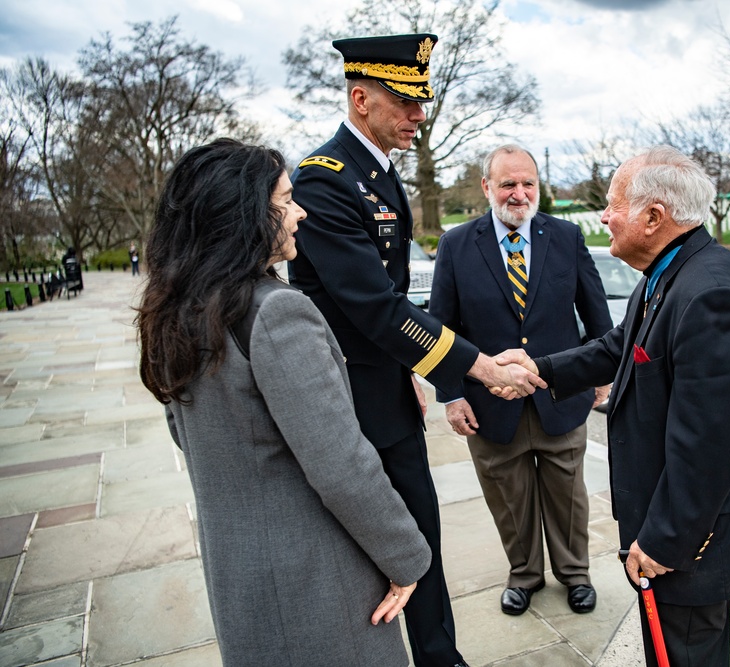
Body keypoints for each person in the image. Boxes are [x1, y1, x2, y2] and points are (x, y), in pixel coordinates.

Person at [287, 34, 542, 667]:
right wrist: (478, 367)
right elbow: (376, 307)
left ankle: (439, 657)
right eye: (404, 102)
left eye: (420, 102)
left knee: (420, 539)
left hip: (387, 395)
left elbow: (394, 302)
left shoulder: (376, 172)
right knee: (366, 555)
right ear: (360, 97)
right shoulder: (325, 180)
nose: (419, 116)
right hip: (346, 404)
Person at [136, 138, 432, 666]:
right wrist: (407, 557)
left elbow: (188, 436)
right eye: (285, 200)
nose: (299, 213)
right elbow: (341, 463)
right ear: (245, 216)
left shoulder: (178, 311)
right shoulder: (277, 314)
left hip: (238, 572)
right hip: (315, 581)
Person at [498, 146, 730, 666]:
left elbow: (709, 447)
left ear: (654, 217)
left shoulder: (710, 296)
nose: (603, 217)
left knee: (685, 652)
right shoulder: (670, 272)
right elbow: (618, 348)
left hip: (691, 542)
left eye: (613, 205)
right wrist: (539, 369)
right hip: (675, 529)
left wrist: (663, 543)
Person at [429, 144, 613, 616]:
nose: (519, 193)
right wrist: (451, 397)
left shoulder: (567, 237)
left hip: (561, 397)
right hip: (488, 405)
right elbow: (440, 328)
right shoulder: (455, 244)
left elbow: (596, 316)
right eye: (508, 183)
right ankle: (525, 574)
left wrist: (600, 375)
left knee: (568, 496)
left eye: (527, 182)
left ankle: (575, 574)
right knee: (508, 498)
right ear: (487, 187)